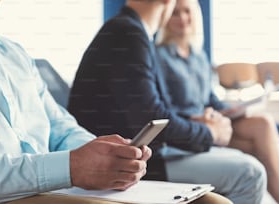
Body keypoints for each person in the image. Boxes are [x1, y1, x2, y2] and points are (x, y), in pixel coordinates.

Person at [0, 1, 232, 204]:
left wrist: (108, 156)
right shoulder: (128, 34)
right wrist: (72, 167)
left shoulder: (14, 54)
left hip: (53, 186)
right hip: (13, 194)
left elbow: (61, 127)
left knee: (212, 201)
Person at [68, 0, 267, 203]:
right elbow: (153, 119)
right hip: (136, 161)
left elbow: (154, 113)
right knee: (250, 173)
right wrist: (209, 132)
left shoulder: (128, 30)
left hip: (144, 151)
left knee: (243, 158)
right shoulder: (129, 34)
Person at [154, 0, 279, 204]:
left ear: (195, 15)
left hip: (213, 120)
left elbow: (210, 100)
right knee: (256, 147)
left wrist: (236, 109)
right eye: (175, 13)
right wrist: (199, 119)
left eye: (187, 11)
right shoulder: (159, 56)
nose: (183, 18)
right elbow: (162, 108)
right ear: (166, 17)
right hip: (192, 127)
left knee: (262, 123)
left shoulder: (198, 56)